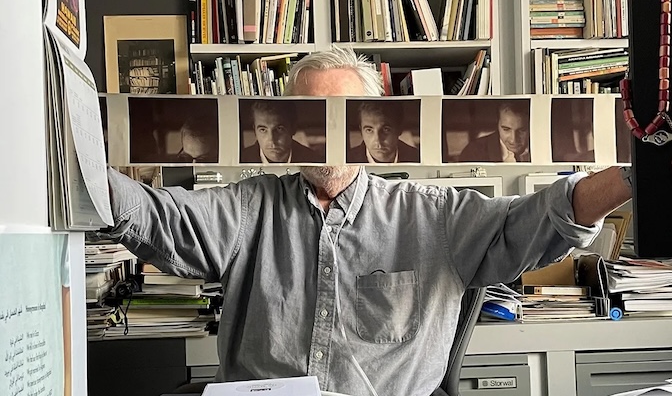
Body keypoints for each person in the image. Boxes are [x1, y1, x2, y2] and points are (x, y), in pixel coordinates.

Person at [92, 46, 633, 396]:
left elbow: (539, 222)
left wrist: (636, 174)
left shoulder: (434, 215)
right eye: (305, 114)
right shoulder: (246, 208)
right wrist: (79, 168)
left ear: (378, 126)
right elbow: (155, 217)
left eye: (341, 114)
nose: (320, 131)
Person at [240, 100, 324, 163]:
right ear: (255, 130)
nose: (272, 140)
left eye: (279, 129)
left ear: (293, 129)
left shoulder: (314, 160)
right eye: (263, 130)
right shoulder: (242, 159)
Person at [347, 101, 420, 163]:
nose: (377, 141)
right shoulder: (348, 160)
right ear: (361, 131)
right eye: (369, 130)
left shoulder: (417, 157)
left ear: (399, 130)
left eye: (386, 129)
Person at [458, 101, 530, 162]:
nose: (513, 140)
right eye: (506, 129)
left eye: (522, 130)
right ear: (497, 123)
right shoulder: (472, 152)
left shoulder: (540, 149)